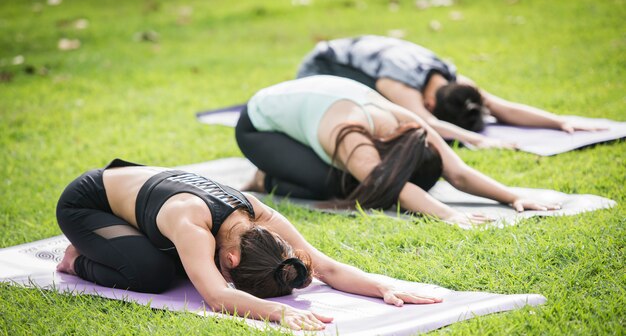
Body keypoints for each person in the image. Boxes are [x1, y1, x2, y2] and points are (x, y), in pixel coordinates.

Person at [55, 158, 442, 331]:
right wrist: (278, 313)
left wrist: (382, 286)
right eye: (231, 272)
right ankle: (78, 259)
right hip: (88, 202)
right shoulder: (192, 226)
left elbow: (325, 266)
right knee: (153, 273)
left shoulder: (263, 217)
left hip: (144, 194)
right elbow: (217, 296)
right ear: (232, 257)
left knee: (183, 264)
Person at [235, 75, 560, 226]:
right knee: (344, 185)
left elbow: (458, 172)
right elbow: (394, 187)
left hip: (310, 112)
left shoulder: (409, 125)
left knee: (356, 178)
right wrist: (450, 215)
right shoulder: (354, 137)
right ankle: (264, 178)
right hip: (259, 126)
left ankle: (286, 166)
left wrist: (512, 197)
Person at [296, 35, 601, 149]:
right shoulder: (399, 82)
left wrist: (559, 122)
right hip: (319, 68)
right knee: (390, 119)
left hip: (357, 52)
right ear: (429, 101)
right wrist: (479, 140)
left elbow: (501, 107)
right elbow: (426, 122)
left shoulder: (451, 77)